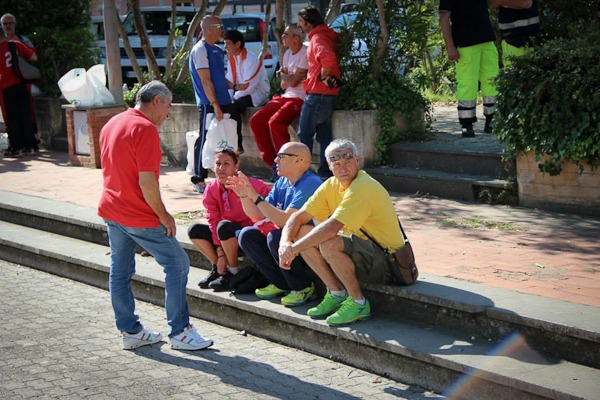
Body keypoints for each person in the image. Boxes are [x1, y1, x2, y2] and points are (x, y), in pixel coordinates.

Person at [98, 81, 213, 351]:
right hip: (137, 214)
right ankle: (180, 332)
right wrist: (165, 216)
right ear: (157, 100)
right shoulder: (145, 128)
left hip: (112, 209)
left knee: (120, 271)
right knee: (178, 263)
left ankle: (131, 331)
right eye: (168, 106)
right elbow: (147, 182)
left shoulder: (112, 122)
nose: (168, 114)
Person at [278, 139, 404, 326]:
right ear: (329, 166)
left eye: (347, 161)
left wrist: (293, 250)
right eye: (336, 163)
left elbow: (332, 227)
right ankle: (337, 293)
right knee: (301, 232)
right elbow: (297, 217)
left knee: (329, 241)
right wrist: (285, 243)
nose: (342, 167)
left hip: (389, 263)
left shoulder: (363, 186)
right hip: (365, 254)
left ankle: (359, 303)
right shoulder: (331, 185)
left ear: (357, 160)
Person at [228, 142, 322, 307]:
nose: (275, 160)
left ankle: (303, 287)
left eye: (281, 156)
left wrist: (255, 196)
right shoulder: (282, 182)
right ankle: (281, 283)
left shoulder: (311, 183)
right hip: (288, 240)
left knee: (275, 236)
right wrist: (244, 195)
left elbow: (285, 221)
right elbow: (257, 215)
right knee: (247, 235)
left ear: (298, 160)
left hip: (310, 244)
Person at [188, 147, 271, 292]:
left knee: (224, 226)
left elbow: (271, 210)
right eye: (218, 163)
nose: (221, 168)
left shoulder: (255, 185)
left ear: (236, 166)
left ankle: (232, 271)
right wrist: (220, 253)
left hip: (249, 238)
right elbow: (212, 219)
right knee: (195, 230)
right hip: (224, 238)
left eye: (226, 164)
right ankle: (219, 269)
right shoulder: (211, 188)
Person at [249, 24, 308, 182]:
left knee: (275, 122)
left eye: (286, 35)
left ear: (296, 38)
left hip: (299, 98)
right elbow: (284, 84)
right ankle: (274, 166)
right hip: (285, 96)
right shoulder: (287, 53)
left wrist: (286, 77)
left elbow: (293, 82)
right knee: (256, 121)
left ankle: (287, 165)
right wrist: (288, 78)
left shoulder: (305, 53)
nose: (282, 37)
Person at [189, 15, 241, 193]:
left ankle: (231, 176)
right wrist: (215, 104)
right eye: (220, 27)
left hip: (225, 100)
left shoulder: (217, 50)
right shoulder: (200, 50)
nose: (222, 31)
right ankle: (199, 178)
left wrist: (234, 87)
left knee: (231, 137)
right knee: (204, 139)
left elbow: (219, 78)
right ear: (209, 29)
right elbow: (206, 81)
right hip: (209, 103)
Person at [440, 0, 499, 137]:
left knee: (492, 81)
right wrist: (450, 46)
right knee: (467, 84)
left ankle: (492, 120)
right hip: (465, 43)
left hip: (487, 41)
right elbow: (444, 18)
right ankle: (467, 124)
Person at [296, 6, 341, 179]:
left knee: (304, 136)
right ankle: (325, 173)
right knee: (324, 137)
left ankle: (302, 174)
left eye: (301, 22)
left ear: (309, 23)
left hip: (317, 94)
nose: (299, 25)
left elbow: (328, 59)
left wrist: (321, 77)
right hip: (325, 94)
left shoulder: (318, 37)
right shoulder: (323, 35)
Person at [224, 29, 270, 153]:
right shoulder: (232, 59)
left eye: (228, 44)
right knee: (225, 106)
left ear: (238, 44)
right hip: (241, 93)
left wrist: (234, 98)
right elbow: (230, 81)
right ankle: (229, 144)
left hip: (256, 94)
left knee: (233, 108)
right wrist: (228, 97)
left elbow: (249, 87)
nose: (225, 47)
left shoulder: (251, 59)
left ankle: (237, 145)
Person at [1, 13, 38, 150]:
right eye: (5, 24)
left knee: (17, 115)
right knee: (22, 114)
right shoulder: (18, 43)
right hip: (17, 84)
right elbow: (34, 57)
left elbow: (33, 55)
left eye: (10, 23)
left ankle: (19, 145)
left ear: (15, 25)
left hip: (15, 84)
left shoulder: (22, 40)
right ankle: (28, 144)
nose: (8, 26)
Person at [493, 0, 540, 68]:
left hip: (529, 40)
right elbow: (495, 2)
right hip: (512, 41)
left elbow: (525, 3)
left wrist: (503, 2)